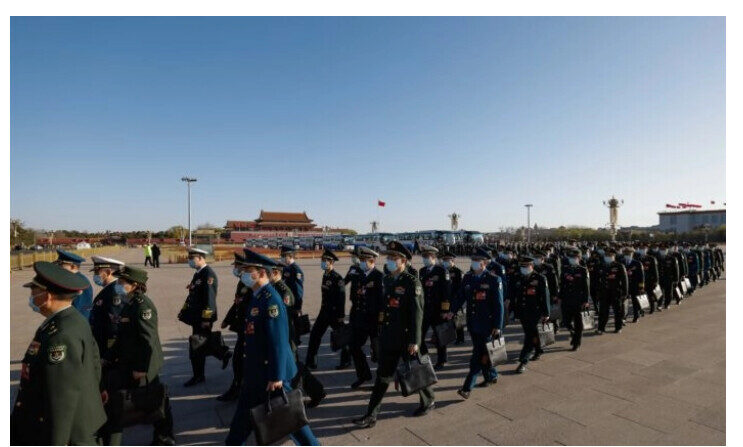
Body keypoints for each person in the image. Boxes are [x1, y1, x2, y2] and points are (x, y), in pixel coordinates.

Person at [225, 249, 320, 446]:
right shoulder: (258, 296)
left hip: (270, 375)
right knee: (243, 423)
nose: (243, 273)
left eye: (247, 270)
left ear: (261, 273)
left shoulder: (271, 301)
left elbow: (278, 341)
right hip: (256, 373)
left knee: (292, 420)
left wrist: (276, 376)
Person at [11, 261, 107, 445]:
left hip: (64, 431)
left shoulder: (61, 335)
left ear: (46, 296)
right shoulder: (70, 319)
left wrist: (57, 441)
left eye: (34, 292)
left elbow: (61, 397)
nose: (31, 297)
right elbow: (93, 361)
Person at [353, 241, 434, 429]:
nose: (389, 261)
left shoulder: (412, 282)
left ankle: (428, 399)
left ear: (403, 261)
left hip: (406, 339)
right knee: (382, 377)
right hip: (390, 337)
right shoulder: (388, 279)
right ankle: (371, 415)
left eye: (393, 258)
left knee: (415, 372)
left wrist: (415, 340)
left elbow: (417, 314)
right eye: (388, 257)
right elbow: (386, 307)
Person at [102, 266, 175, 445]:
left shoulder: (143, 306)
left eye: (122, 282)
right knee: (150, 401)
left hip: (143, 365)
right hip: (130, 361)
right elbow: (123, 336)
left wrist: (141, 368)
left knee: (154, 401)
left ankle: (164, 437)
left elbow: (148, 340)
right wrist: (108, 357)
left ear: (135, 285)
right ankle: (163, 435)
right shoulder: (130, 303)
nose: (118, 284)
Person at [270, 260, 326, 408]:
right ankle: (315, 391)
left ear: (276, 273)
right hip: (285, 336)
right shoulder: (274, 288)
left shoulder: (283, 291)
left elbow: (284, 318)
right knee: (295, 368)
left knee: (295, 369)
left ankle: (314, 392)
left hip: (287, 337)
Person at [451, 247, 504, 398]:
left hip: (487, 325)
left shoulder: (494, 280)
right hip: (473, 323)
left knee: (477, 356)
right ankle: (491, 375)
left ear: (484, 263)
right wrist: (452, 310)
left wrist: (497, 326)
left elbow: (498, 305)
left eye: (477, 261)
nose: (473, 263)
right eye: (472, 260)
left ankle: (467, 388)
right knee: (483, 351)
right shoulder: (468, 278)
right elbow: (461, 296)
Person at [178, 248, 231, 387]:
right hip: (197, 317)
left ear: (201, 258)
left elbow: (209, 299)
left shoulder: (208, 275)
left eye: (192, 258)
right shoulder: (198, 274)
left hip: (203, 319)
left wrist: (206, 319)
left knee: (197, 347)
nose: (189, 261)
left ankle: (199, 375)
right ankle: (223, 353)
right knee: (201, 344)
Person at [305, 250, 350, 370]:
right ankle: (311, 362)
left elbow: (342, 297)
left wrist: (341, 315)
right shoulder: (325, 275)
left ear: (331, 262)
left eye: (325, 261)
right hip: (324, 312)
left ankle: (346, 361)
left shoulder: (337, 278)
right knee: (314, 335)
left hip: (335, 314)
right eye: (322, 260)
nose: (323, 263)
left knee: (342, 339)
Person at [217, 253, 253, 402]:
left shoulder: (250, 283)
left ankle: (239, 388)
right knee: (239, 360)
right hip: (242, 327)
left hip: (248, 329)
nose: (236, 269)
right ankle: (238, 387)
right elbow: (237, 303)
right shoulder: (242, 282)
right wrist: (227, 319)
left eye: (238, 266)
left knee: (240, 360)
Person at [347, 247, 384, 389]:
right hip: (360, 319)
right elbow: (356, 298)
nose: (361, 263)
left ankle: (381, 380)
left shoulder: (379, 276)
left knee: (378, 352)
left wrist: (381, 321)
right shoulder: (358, 275)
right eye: (361, 260)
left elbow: (382, 302)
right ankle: (363, 375)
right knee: (354, 347)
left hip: (374, 320)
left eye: (364, 260)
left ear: (372, 261)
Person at [511, 256, 550, 374]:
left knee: (529, 336)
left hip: (535, 311)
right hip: (522, 311)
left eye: (525, 266)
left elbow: (545, 296)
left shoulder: (540, 278)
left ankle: (523, 360)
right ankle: (538, 350)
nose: (523, 269)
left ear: (531, 266)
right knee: (532, 333)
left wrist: (546, 313)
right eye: (522, 266)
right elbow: (514, 295)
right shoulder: (518, 277)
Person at [418, 245, 451, 370]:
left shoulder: (442, 271)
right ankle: (425, 359)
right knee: (419, 338)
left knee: (440, 338)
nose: (425, 259)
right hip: (425, 310)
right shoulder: (422, 271)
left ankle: (441, 360)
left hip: (438, 311)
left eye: (427, 257)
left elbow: (446, 293)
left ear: (433, 257)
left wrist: (445, 310)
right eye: (423, 257)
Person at [89, 256, 126, 362]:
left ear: (109, 272)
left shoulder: (115, 292)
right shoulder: (109, 289)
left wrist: (109, 355)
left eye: (97, 272)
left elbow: (115, 325)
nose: (95, 275)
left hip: (108, 348)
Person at [558, 247, 590, 350]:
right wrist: (560, 296)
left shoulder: (583, 270)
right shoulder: (565, 269)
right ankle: (572, 332)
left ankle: (576, 342)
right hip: (566, 298)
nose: (572, 259)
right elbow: (562, 284)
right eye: (571, 257)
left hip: (578, 300)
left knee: (578, 323)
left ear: (579, 258)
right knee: (566, 321)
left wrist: (586, 300)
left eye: (575, 257)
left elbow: (586, 287)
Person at [55, 249, 94, 320]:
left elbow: (76, 309)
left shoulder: (80, 282)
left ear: (73, 267)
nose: (58, 267)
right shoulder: (70, 280)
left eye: (61, 265)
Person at [597, 247, 629, 334]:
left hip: (616, 292)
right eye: (606, 255)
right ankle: (601, 328)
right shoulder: (601, 265)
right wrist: (598, 292)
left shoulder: (619, 266)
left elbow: (625, 280)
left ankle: (618, 327)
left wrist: (625, 293)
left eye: (609, 255)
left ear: (614, 255)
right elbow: (597, 279)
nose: (607, 256)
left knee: (618, 311)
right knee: (603, 311)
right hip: (604, 292)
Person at [281, 245, 305, 347]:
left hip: (293, 304)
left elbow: (299, 290)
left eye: (283, 256)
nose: (281, 258)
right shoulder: (286, 268)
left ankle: (295, 356)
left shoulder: (296, 270)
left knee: (293, 331)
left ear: (289, 256)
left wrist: (298, 307)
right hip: (286, 303)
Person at [441, 250, 465, 344]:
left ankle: (460, 339)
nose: (445, 262)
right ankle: (447, 337)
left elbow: (460, 288)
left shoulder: (458, 272)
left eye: (447, 260)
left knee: (458, 319)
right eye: (444, 260)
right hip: (445, 299)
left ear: (452, 261)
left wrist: (457, 298)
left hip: (455, 298)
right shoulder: (442, 271)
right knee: (445, 317)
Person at [622, 247, 646, 323]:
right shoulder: (621, 263)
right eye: (626, 254)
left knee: (635, 302)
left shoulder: (637, 263)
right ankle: (624, 317)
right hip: (625, 286)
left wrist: (641, 287)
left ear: (632, 254)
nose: (627, 255)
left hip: (635, 286)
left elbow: (641, 276)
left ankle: (636, 316)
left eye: (629, 253)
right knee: (624, 302)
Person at [637, 243, 661, 313]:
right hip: (641, 281)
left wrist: (656, 281)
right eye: (641, 249)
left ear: (647, 249)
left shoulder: (651, 259)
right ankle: (641, 309)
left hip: (650, 280)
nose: (642, 250)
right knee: (640, 295)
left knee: (650, 295)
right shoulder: (638, 258)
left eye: (644, 248)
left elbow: (655, 271)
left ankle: (652, 307)